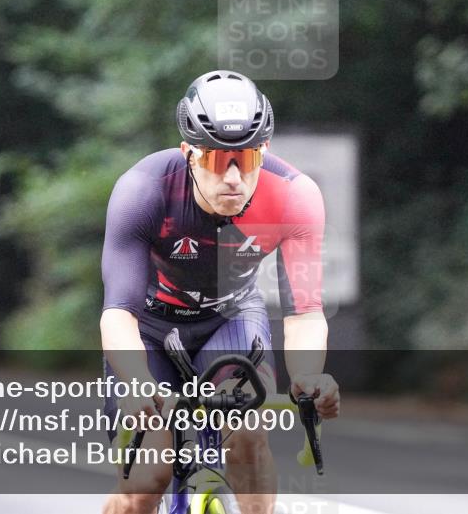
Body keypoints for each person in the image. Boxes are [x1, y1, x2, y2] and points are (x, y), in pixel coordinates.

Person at [100, 71, 340, 514]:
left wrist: (307, 376)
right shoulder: (144, 191)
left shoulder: (294, 196)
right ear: (189, 154)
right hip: (149, 330)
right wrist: (136, 381)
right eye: (215, 161)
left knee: (248, 436)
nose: (232, 177)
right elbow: (118, 314)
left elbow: (305, 313)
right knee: (146, 483)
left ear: (264, 151)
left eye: (246, 161)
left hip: (229, 320)